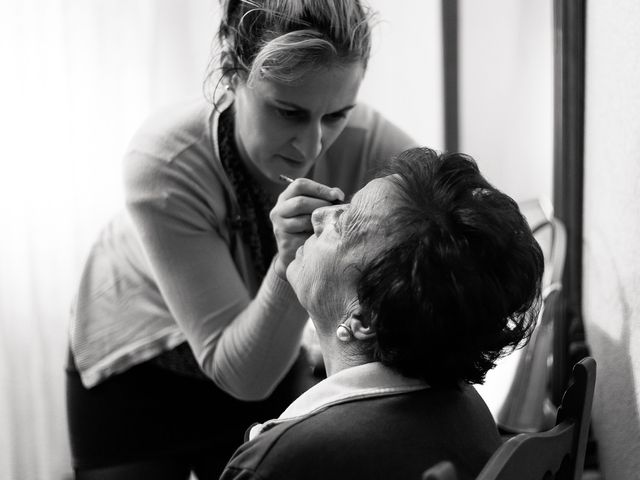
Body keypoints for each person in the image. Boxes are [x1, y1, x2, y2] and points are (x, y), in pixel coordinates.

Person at [65, 0, 417, 479]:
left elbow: (455, 212)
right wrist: (293, 261)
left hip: (265, 351)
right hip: (141, 363)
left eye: (336, 115)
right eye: (288, 112)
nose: (312, 146)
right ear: (233, 72)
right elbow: (242, 376)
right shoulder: (164, 158)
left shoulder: (370, 141)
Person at [219, 147, 545, 480]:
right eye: (339, 205)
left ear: (365, 318)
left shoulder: (282, 460)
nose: (318, 218)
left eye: (343, 224)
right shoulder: (469, 407)